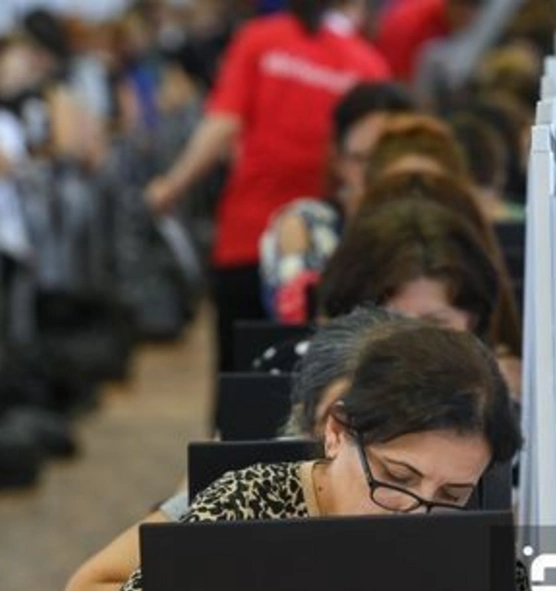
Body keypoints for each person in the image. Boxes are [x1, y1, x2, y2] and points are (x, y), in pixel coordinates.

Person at [55, 320, 537, 591]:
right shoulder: (246, 508)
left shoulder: (478, 550)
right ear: (337, 432)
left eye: (452, 494)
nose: (416, 514)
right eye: (396, 478)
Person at [52, 307, 402, 591]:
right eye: (342, 422)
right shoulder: (245, 487)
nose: (364, 439)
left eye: (390, 428)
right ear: (308, 420)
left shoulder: (431, 498)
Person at [145, 0, 388, 374]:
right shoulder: (367, 62)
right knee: (319, 373)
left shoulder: (258, 40)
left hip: (249, 235)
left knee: (241, 379)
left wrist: (171, 186)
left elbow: (223, 123)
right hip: (326, 247)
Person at [318, 199, 522, 386]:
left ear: (474, 321)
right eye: (388, 323)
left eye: (434, 324)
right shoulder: (314, 405)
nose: (412, 346)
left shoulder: (508, 399)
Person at [259, 81, 415, 323]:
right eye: (364, 159)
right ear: (338, 159)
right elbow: (301, 323)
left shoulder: (438, 226)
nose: (379, 173)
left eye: (392, 159)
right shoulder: (304, 224)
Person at [376, 0, 486, 83]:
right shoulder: (414, 22)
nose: (469, 21)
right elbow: (393, 73)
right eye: (466, 15)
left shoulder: (447, 25)